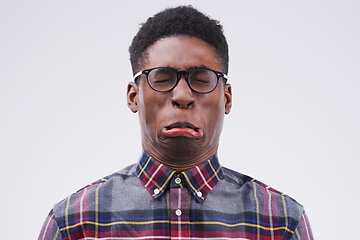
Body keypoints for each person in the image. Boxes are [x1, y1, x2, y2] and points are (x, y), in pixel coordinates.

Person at [38, 6, 313, 240]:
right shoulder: (74, 223)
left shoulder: (281, 222)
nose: (182, 96)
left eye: (202, 79)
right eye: (162, 78)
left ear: (226, 98)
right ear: (134, 96)